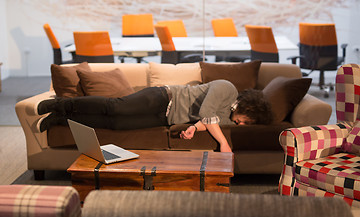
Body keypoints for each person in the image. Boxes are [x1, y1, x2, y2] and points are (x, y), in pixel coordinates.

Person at [35, 79, 272, 152]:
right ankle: (62, 105)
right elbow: (207, 113)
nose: (242, 125)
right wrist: (223, 142)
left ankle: (61, 120)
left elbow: (204, 122)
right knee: (115, 107)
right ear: (249, 109)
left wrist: (192, 129)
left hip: (164, 118)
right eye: (247, 121)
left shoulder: (230, 119)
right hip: (163, 98)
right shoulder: (227, 88)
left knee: (115, 124)